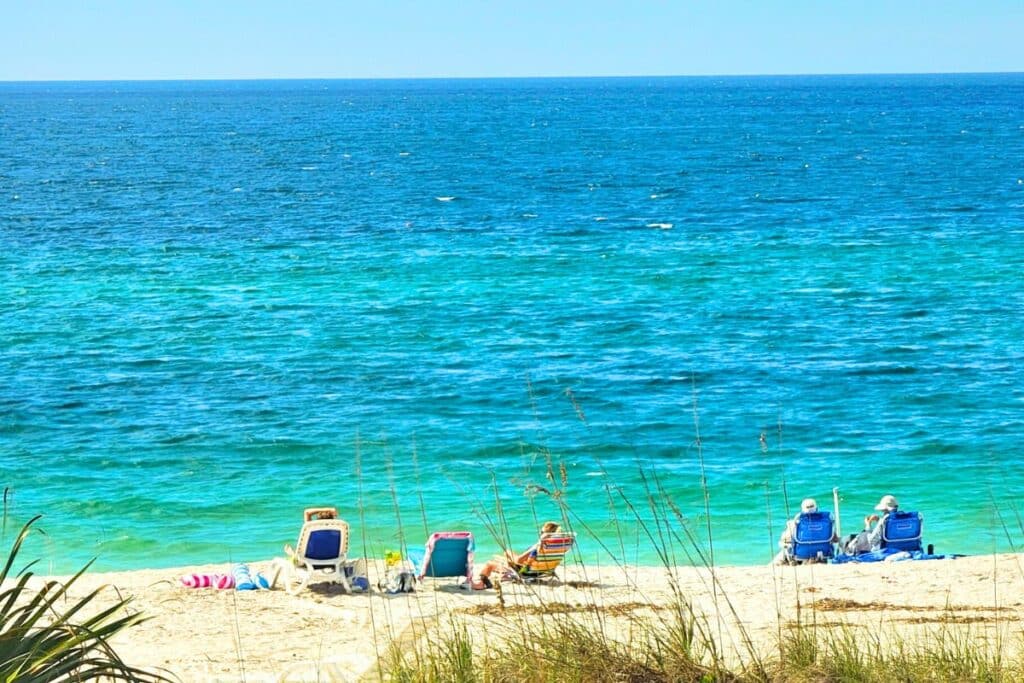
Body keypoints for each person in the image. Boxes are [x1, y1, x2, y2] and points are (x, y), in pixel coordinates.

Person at [473, 521, 560, 589]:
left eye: (541, 532)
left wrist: (510, 555)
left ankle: (481, 584)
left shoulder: (538, 546)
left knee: (490, 563)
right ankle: (505, 573)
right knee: (505, 555)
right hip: (543, 571)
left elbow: (519, 560)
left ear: (543, 533)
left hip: (526, 572)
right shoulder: (558, 546)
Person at [773, 498, 836, 565]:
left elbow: (784, 540)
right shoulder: (826, 523)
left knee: (783, 548)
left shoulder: (796, 523)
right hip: (823, 553)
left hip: (801, 555)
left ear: (802, 510)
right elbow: (835, 539)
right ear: (817, 509)